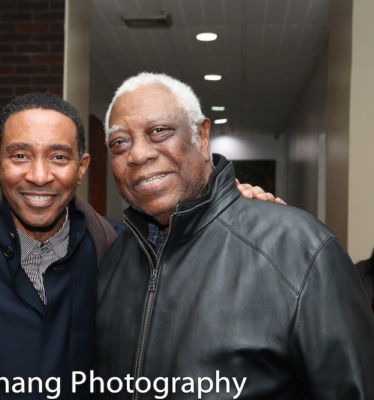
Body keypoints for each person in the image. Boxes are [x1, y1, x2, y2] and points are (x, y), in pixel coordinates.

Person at [0, 92, 277, 400]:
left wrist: (236, 211)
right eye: (20, 155)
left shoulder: (127, 252)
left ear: (81, 168)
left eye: (59, 157)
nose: (39, 175)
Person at [95, 72, 374, 399]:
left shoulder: (299, 250)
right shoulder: (113, 260)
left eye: (159, 131)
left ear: (201, 136)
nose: (138, 154)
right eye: (119, 142)